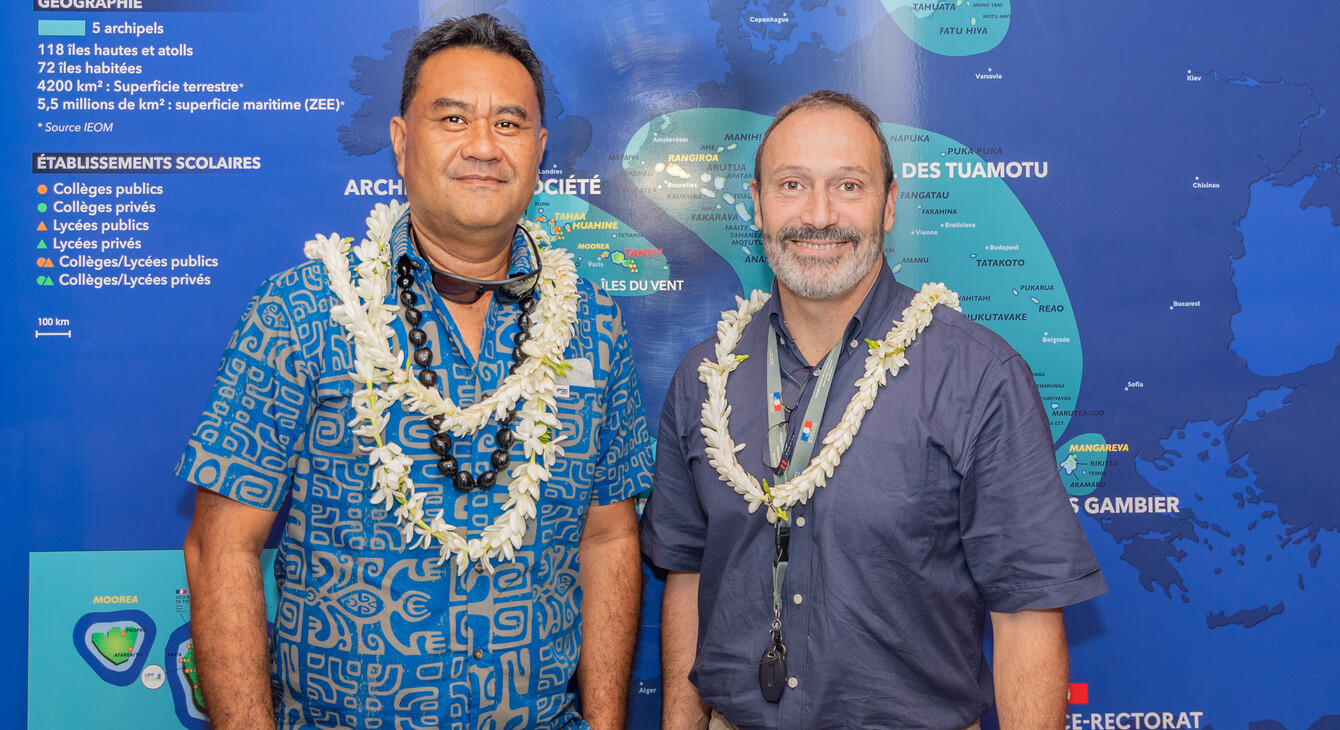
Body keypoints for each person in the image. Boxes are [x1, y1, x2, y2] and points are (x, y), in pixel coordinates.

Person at [179, 14, 652, 730]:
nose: (484, 147)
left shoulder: (594, 323)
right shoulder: (303, 312)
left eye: (510, 123)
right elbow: (220, 547)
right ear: (402, 143)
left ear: (540, 150)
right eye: (453, 118)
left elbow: (610, 539)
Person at [640, 90, 1107, 730]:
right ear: (756, 205)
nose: (819, 214)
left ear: (888, 206)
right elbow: (689, 577)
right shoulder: (704, 379)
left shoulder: (977, 376)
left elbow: (1025, 612)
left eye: (849, 185)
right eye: (792, 184)